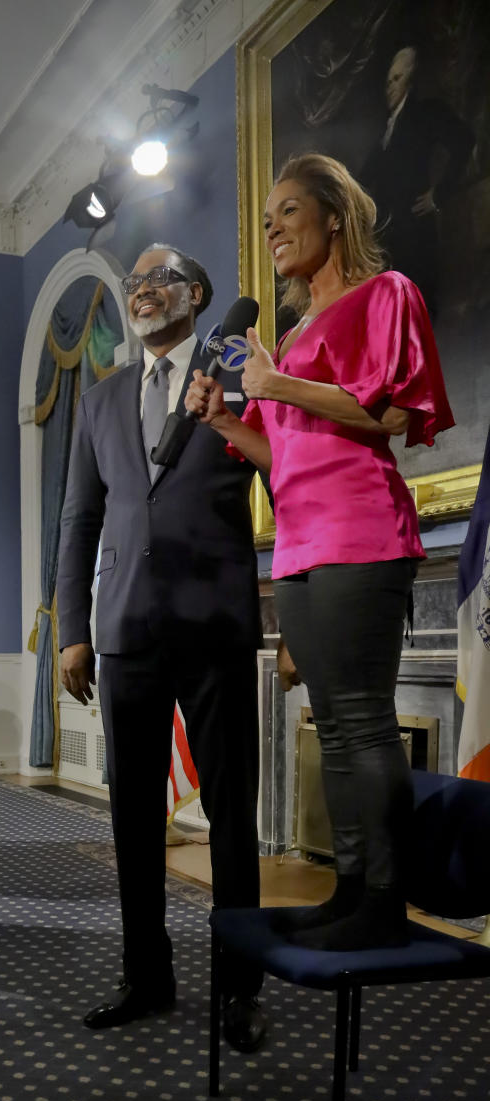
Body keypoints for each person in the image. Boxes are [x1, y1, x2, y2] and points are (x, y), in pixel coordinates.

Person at [186, 152, 454, 951]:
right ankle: (348, 889)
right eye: (266, 219)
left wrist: (274, 386)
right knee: (334, 726)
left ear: (334, 215)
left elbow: (390, 415)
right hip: (299, 545)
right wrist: (226, 424)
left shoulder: (383, 294)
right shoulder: (294, 334)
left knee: (364, 722)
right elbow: (284, 456)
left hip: (362, 533)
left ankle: (383, 900)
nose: (273, 229)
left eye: (289, 212)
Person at [57, 243, 266, 1051]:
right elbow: (79, 520)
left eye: (159, 282)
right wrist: (73, 629)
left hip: (213, 625)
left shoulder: (244, 383)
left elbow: (283, 479)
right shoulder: (101, 399)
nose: (143, 293)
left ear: (196, 294)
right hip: (124, 631)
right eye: (134, 285)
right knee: (134, 817)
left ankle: (239, 988)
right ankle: (147, 976)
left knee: (231, 816)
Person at [359, 45, 474, 318]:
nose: (390, 87)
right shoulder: (385, 130)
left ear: (410, 80)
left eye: (396, 79)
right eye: (388, 81)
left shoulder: (425, 113)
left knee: (420, 311)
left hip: (415, 232)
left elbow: (464, 140)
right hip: (389, 239)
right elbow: (364, 178)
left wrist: (439, 194)